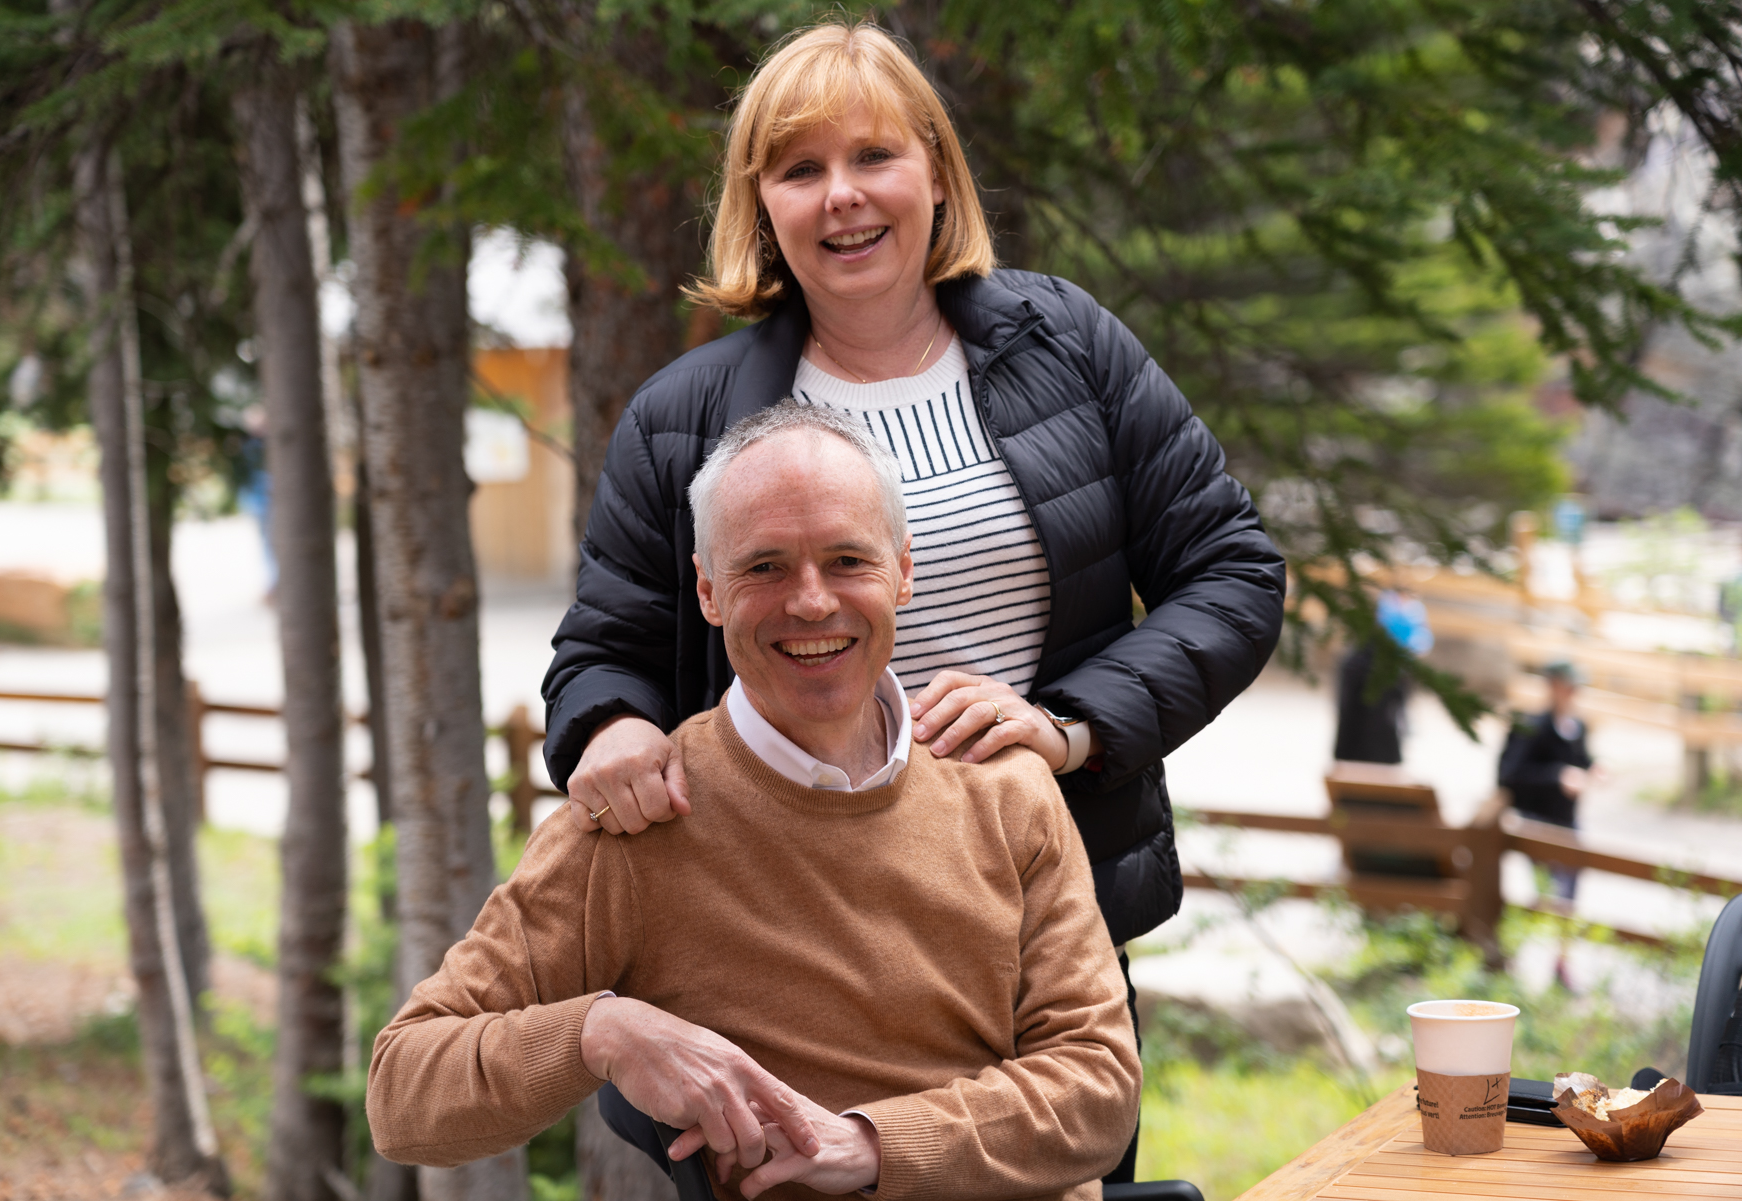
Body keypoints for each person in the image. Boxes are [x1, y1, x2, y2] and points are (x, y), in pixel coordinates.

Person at [540, 27, 1283, 1147]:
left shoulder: (1067, 347)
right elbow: (607, 646)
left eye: (873, 157)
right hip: (776, 947)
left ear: (936, 172)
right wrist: (605, 728)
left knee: (1058, 1162)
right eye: (800, 170)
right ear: (763, 206)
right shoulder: (683, 414)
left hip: (1034, 914)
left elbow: (1233, 571)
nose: (842, 198)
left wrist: (1070, 726)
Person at [370, 406, 1142, 1201]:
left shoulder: (1002, 783)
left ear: (904, 571)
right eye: (764, 567)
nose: (811, 602)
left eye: (847, 559)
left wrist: (874, 1144)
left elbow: (1101, 1088)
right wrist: (599, 1031)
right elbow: (403, 1093)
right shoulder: (637, 817)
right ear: (707, 588)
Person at [1498, 659, 1596, 902]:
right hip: (1538, 818)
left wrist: (1595, 768)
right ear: (1553, 686)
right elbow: (1509, 775)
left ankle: (1561, 936)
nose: (1574, 694)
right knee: (1551, 890)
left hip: (1567, 820)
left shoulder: (1576, 726)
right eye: (1570, 687)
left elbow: (1581, 761)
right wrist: (1557, 776)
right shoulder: (1531, 727)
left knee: (1570, 884)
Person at [1332, 588, 1433, 764]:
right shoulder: (1385, 608)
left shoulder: (1414, 611)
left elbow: (1421, 640)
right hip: (1379, 670)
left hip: (1395, 669)